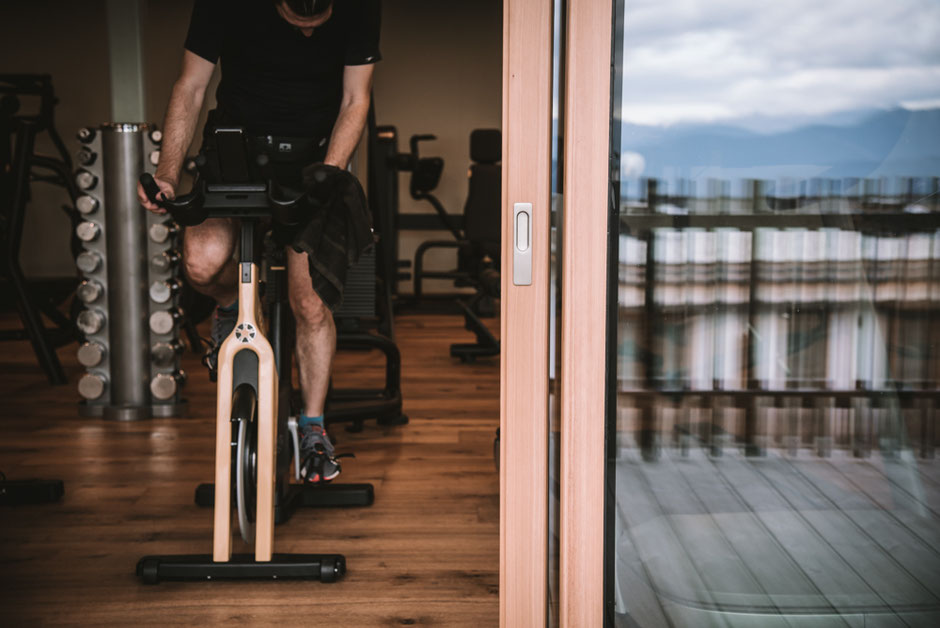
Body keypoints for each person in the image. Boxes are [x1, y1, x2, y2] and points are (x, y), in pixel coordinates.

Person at [137, 0, 381, 482]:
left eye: (319, 23)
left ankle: (313, 428)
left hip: (314, 155)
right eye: (298, 22)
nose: (309, 35)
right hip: (236, 148)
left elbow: (356, 100)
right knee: (203, 263)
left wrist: (330, 175)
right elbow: (190, 87)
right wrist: (166, 175)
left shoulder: (361, 5)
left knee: (310, 302)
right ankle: (233, 305)